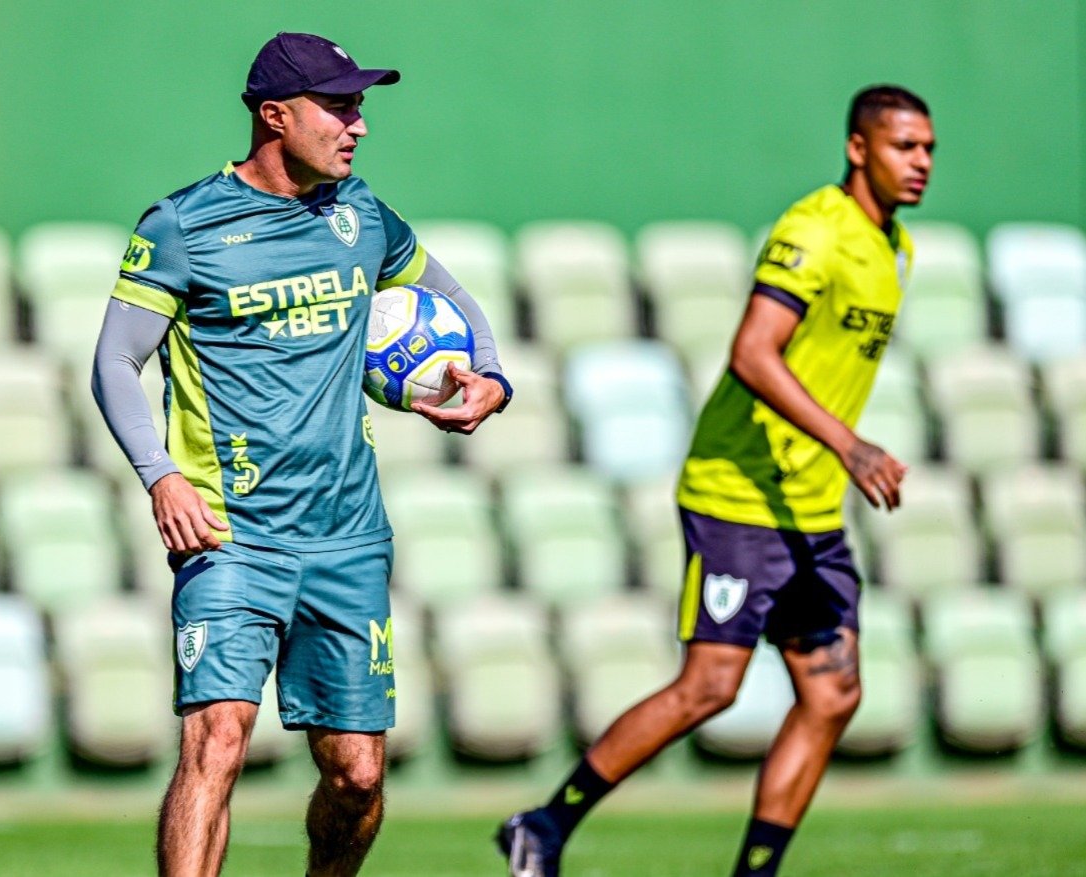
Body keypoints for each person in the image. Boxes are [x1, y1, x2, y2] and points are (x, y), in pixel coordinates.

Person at [92, 32, 513, 877]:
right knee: (217, 739)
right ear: (275, 116)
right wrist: (161, 476)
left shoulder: (362, 217)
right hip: (231, 534)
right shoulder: (182, 225)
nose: (358, 125)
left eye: (360, 107)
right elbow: (113, 361)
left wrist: (492, 377)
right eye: (340, 106)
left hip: (346, 536)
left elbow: (452, 298)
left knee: (356, 776)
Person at [497, 84, 935, 877]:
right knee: (709, 687)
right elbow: (751, 353)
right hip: (737, 495)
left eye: (928, 149)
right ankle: (544, 824)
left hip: (809, 508)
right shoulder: (813, 230)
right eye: (904, 146)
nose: (921, 162)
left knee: (832, 694)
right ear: (857, 147)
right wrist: (850, 445)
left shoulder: (895, 247)